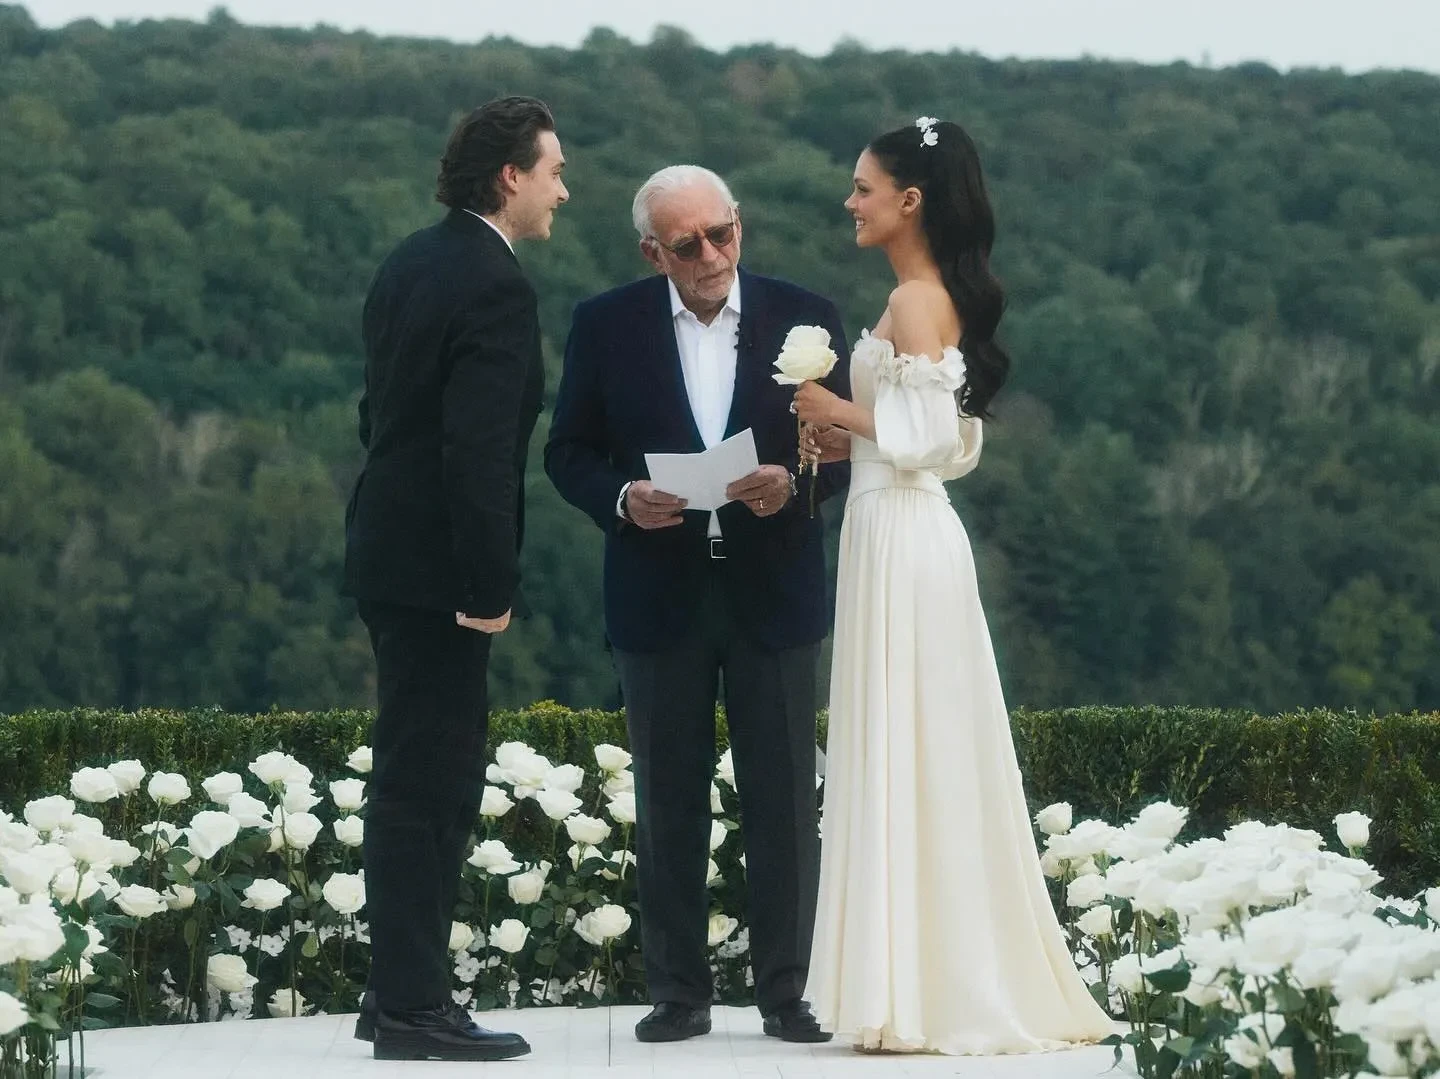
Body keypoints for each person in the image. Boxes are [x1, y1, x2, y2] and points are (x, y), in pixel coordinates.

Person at [793, 118, 1115, 1054]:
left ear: (910, 200)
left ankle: (925, 988)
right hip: (889, 525)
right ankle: (909, 983)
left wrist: (837, 408)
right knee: (907, 738)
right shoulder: (920, 298)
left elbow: (937, 437)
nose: (850, 202)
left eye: (863, 188)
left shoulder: (919, 299)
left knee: (914, 738)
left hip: (904, 533)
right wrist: (844, 434)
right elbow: (941, 430)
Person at [545, 165, 848, 1045]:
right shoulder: (604, 323)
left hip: (775, 587)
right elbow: (567, 451)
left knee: (783, 797)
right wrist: (622, 497)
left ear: (739, 225)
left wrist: (792, 482)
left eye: (724, 233)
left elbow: (847, 447)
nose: (712, 254)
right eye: (688, 244)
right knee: (667, 796)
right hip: (657, 588)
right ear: (653, 252)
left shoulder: (808, 316)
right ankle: (678, 991)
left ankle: (788, 990)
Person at [341, 96, 568, 1063]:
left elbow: (377, 413)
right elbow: (478, 452)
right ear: (510, 176)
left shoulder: (410, 260)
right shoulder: (495, 285)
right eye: (553, 170)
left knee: (414, 771)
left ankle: (394, 989)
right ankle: (412, 1008)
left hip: (387, 548)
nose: (563, 189)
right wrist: (488, 582)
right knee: (430, 785)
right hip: (440, 568)